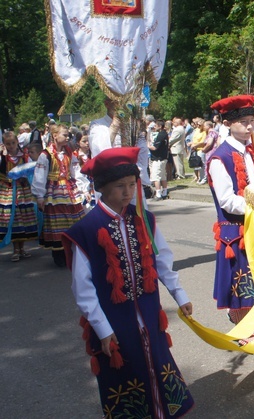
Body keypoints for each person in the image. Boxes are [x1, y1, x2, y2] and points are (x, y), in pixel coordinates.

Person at [62, 147, 194, 418]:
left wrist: (179, 294)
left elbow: (162, 260)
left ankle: (161, 411)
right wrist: (102, 328)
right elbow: (82, 288)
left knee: (156, 359)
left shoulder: (143, 218)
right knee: (126, 369)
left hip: (148, 310)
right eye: (120, 186)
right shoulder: (86, 230)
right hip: (114, 318)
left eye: (132, 185)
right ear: (102, 188)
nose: (128, 192)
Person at [207, 94, 254, 359]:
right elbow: (227, 200)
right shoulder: (219, 157)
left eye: (252, 121)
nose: (250, 127)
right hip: (236, 233)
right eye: (244, 122)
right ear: (228, 123)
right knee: (243, 285)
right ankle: (250, 335)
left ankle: (240, 317)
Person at [31, 124, 86, 267]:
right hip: (54, 192)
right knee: (57, 223)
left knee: (73, 220)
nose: (68, 137)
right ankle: (59, 255)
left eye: (68, 135)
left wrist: (82, 188)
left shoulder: (69, 153)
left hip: (68, 190)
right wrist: (40, 196)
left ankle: (73, 252)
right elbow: (40, 176)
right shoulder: (46, 155)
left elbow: (76, 171)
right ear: (55, 136)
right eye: (65, 135)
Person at [0, 131, 38, 261]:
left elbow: (29, 169)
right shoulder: (4, 157)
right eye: (8, 144)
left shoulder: (24, 156)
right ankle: (15, 249)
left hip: (23, 190)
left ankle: (22, 248)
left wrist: (25, 177)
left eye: (13, 143)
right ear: (4, 145)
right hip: (9, 190)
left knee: (25, 217)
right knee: (14, 218)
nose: (11, 146)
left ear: (17, 142)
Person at [148, 120, 170, 200]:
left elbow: (155, 147)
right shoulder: (165, 134)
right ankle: (164, 191)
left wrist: (148, 145)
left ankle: (158, 194)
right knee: (163, 175)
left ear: (160, 126)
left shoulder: (161, 135)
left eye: (156, 125)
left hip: (158, 159)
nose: (154, 127)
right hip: (163, 158)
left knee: (156, 176)